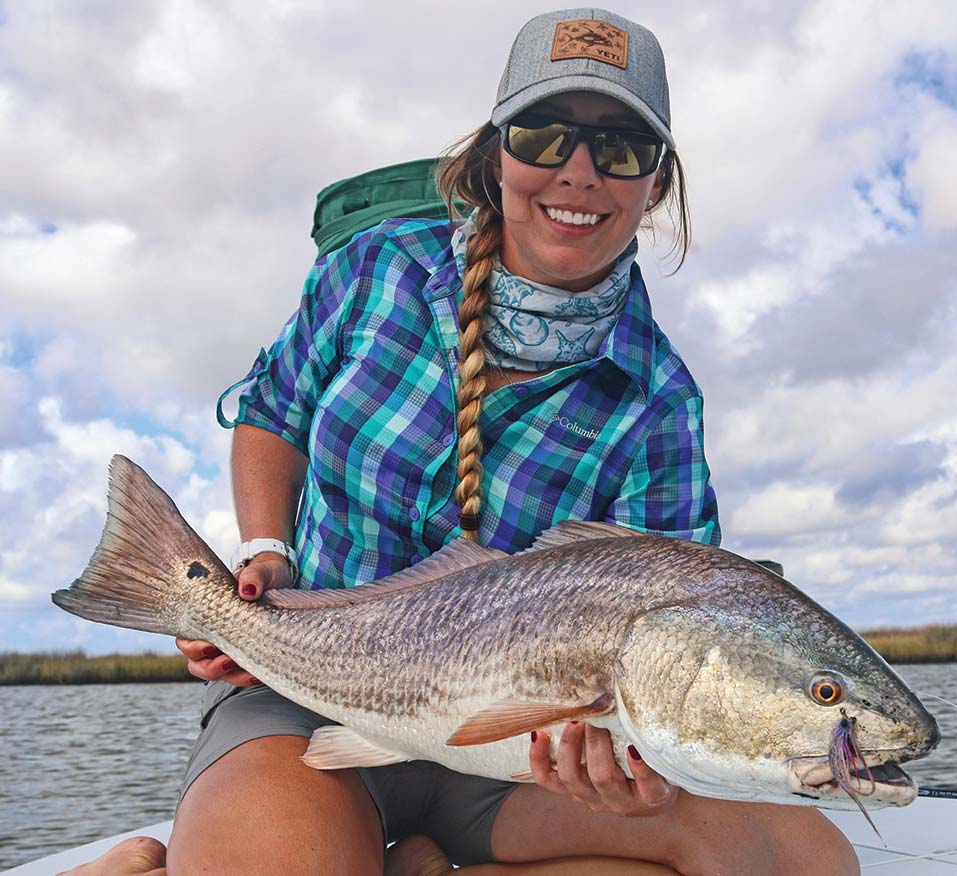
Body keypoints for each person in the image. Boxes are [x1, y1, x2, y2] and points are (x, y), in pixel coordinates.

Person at [62, 8, 860, 876]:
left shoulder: (659, 405)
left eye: (622, 148)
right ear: (496, 154)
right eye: (545, 135)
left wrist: (643, 772)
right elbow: (274, 410)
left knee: (807, 863)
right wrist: (264, 557)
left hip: (518, 759)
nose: (580, 172)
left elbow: (669, 637)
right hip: (308, 693)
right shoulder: (374, 269)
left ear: (657, 184)